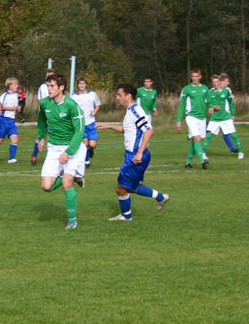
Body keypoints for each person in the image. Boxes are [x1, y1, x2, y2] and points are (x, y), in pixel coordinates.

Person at [96, 83, 170, 221]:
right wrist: (108, 126)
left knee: (120, 188)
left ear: (129, 96)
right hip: (133, 154)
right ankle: (160, 197)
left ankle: (126, 216)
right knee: (128, 186)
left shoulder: (135, 111)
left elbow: (149, 131)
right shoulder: (130, 111)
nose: (117, 98)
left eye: (120, 95)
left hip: (136, 155)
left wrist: (139, 153)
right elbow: (127, 129)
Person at [37, 73, 86, 229]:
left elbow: (79, 131)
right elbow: (41, 120)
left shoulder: (72, 105)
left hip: (73, 148)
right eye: (48, 86)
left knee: (66, 183)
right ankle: (73, 177)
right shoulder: (45, 103)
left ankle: (72, 221)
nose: (49, 89)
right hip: (53, 148)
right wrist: (41, 137)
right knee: (46, 187)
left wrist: (68, 152)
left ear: (61, 87)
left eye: (52, 86)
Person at [203, 74, 244, 159]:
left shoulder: (226, 91)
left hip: (225, 117)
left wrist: (232, 114)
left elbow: (231, 102)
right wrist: (212, 107)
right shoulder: (210, 92)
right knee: (208, 136)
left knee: (233, 135)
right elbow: (207, 103)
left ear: (219, 82)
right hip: (215, 118)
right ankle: (203, 153)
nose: (215, 83)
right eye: (213, 82)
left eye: (216, 81)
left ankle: (240, 152)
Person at [176, 68, 210, 169]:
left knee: (195, 140)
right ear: (191, 77)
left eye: (196, 76)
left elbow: (209, 102)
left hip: (202, 118)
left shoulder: (205, 88)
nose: (194, 78)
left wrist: (212, 107)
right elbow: (182, 105)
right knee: (197, 138)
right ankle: (202, 160)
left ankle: (188, 162)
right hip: (191, 117)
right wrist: (179, 120)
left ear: (200, 77)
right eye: (193, 76)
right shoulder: (186, 89)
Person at [71, 77, 101, 168]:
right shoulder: (74, 97)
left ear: (86, 85)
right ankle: (86, 162)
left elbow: (98, 104)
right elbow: (71, 109)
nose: (81, 85)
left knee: (92, 145)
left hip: (91, 123)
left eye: (83, 83)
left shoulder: (92, 94)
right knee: (85, 144)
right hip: (81, 124)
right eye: (80, 83)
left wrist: (95, 111)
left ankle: (91, 150)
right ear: (77, 85)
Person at [32, 68, 55, 166]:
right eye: (48, 75)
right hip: (45, 115)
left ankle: (52, 158)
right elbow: (40, 101)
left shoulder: (56, 87)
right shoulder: (43, 87)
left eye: (52, 75)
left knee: (53, 135)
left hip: (54, 115)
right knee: (41, 135)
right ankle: (34, 156)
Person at [0, 77, 21, 163]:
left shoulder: (16, 95)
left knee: (15, 138)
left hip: (11, 121)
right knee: (0, 141)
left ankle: (11, 158)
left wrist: (18, 108)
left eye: (17, 84)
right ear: (10, 86)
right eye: (15, 84)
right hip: (3, 120)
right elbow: (1, 107)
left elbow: (15, 107)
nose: (17, 86)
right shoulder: (4, 95)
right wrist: (13, 108)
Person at [215, 74, 238, 154]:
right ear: (222, 81)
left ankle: (232, 149)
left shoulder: (228, 89)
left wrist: (232, 114)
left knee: (226, 132)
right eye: (227, 81)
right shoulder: (214, 89)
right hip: (217, 114)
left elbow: (230, 101)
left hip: (226, 114)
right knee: (211, 132)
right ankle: (194, 134)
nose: (228, 83)